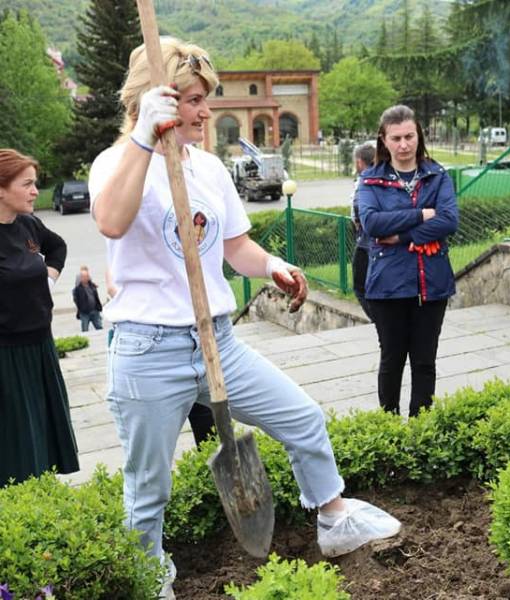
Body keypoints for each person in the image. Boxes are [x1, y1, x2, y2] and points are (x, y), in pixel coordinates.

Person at [89, 37, 400, 598]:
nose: (205, 111)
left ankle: (333, 520)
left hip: (219, 341)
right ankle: (149, 575)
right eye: (190, 100)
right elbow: (111, 222)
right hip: (147, 349)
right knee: (148, 486)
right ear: (150, 99)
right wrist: (142, 139)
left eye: (205, 98)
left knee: (304, 419)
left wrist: (273, 265)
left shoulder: (207, 168)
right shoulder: (116, 163)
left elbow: (236, 247)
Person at [358, 105, 459, 417]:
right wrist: (421, 215)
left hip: (432, 283)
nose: (404, 145)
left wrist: (403, 236)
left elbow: (448, 220)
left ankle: (421, 427)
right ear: (384, 140)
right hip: (388, 284)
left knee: (425, 360)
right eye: (396, 138)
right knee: (392, 359)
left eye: (409, 136)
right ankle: (389, 428)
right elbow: (372, 223)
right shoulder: (370, 180)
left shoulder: (437, 175)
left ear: (419, 136)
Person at [0, 149, 79, 486]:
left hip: (41, 349)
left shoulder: (29, 224)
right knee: (15, 444)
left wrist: (49, 277)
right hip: (6, 356)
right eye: (27, 184)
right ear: (1, 189)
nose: (36, 191)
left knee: (42, 438)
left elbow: (57, 247)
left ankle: (42, 500)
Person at [105, 267, 215, 446]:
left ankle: (210, 458)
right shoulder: (125, 254)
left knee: (205, 417)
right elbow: (112, 287)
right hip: (150, 348)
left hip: (194, 340)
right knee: (155, 433)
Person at [350, 142, 376, 320]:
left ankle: (379, 321)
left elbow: (359, 207)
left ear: (359, 162)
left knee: (360, 287)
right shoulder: (383, 176)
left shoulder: (365, 179)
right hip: (372, 241)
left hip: (367, 242)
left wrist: (359, 222)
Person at [72, 265, 103, 331]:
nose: (87, 278)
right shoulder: (78, 288)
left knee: (99, 327)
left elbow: (96, 296)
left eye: (87, 276)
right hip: (84, 312)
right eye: (85, 277)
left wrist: (98, 307)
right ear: (81, 278)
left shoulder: (92, 286)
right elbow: (76, 299)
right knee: (85, 329)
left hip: (94, 310)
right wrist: (81, 308)